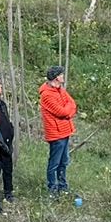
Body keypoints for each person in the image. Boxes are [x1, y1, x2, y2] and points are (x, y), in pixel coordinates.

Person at [40, 65, 77, 196]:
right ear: (56, 77)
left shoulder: (60, 90)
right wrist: (68, 112)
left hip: (65, 131)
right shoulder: (47, 95)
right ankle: (52, 188)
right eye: (61, 75)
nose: (63, 77)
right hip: (56, 134)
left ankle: (62, 186)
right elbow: (62, 111)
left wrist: (68, 111)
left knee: (64, 161)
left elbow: (72, 103)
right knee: (54, 163)